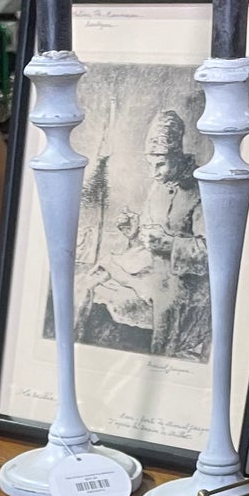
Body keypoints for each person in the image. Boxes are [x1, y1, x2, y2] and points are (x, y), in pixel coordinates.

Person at [79, 111, 210, 359]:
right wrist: (135, 232)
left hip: (184, 278)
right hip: (149, 265)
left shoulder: (202, 188)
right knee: (90, 281)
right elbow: (149, 237)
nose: (154, 173)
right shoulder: (158, 184)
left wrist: (170, 244)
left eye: (160, 164)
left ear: (177, 156)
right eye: (150, 164)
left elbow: (210, 251)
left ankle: (159, 365)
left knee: (155, 300)